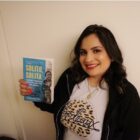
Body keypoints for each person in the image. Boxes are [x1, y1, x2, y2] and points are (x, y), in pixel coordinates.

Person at [19, 24, 140, 140]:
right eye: (83, 52)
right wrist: (34, 92)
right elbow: (55, 106)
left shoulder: (127, 94)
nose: (88, 59)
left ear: (111, 54)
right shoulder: (70, 77)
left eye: (96, 50)